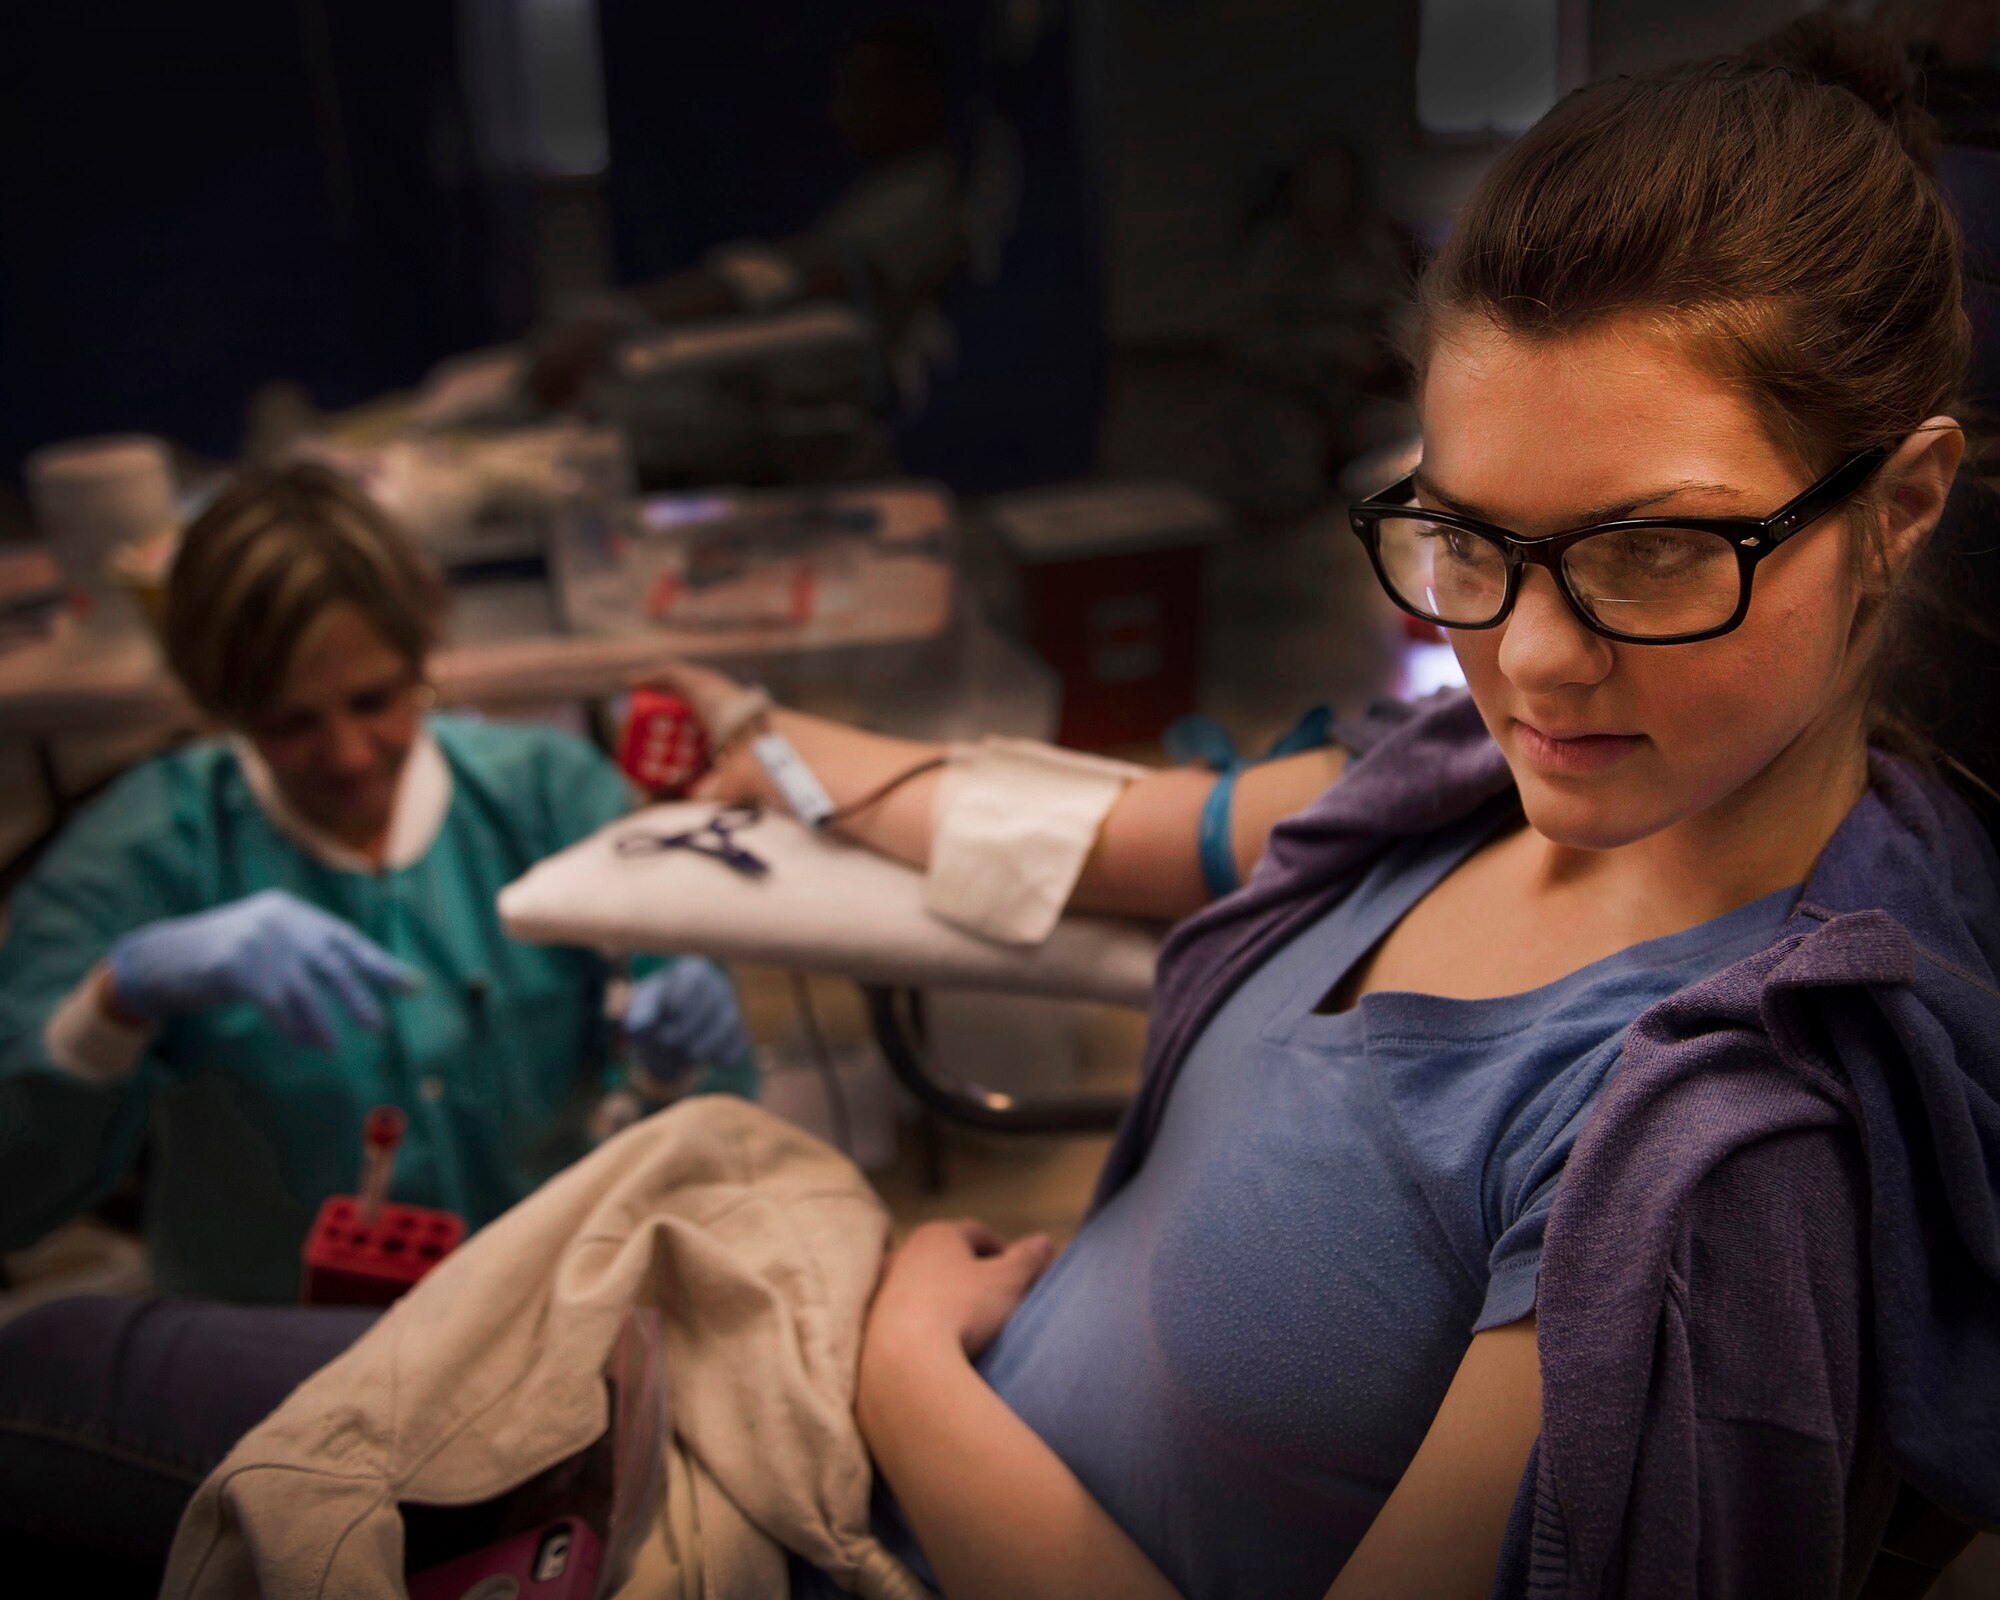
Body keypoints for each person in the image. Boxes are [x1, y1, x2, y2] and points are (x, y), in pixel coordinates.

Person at [6, 16, 2000, 1597]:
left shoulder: (1704, 1153)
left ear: (1901, 502)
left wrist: (903, 1363)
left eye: (1651, 552)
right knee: (61, 1368)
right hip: (780, 1374)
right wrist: (788, 740)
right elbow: (1094, 828)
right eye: (1468, 540)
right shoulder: (1459, 785)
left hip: (826, 1490)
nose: (1531, 662)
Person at [0, 462, 756, 1306]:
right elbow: (15, 1197)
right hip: (269, 1342)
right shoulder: (140, 854)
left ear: (420, 650)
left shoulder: (553, 802)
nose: (349, 755)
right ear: (222, 706)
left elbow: (715, 1136)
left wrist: (673, 1072)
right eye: (291, 723)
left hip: (538, 1307)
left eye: (374, 700)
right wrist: (111, 1007)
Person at [526, 15, 966, 409]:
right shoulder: (889, 184)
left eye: (864, 92)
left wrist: (617, 318)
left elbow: (784, 278)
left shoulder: (925, 195)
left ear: (921, 96)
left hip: (824, 409)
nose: (842, 110)